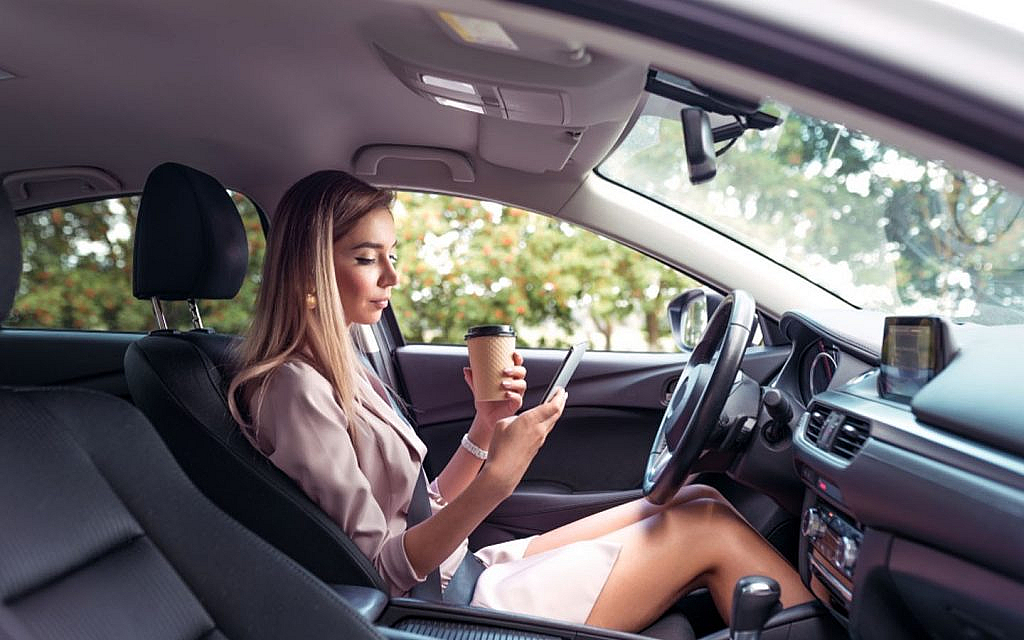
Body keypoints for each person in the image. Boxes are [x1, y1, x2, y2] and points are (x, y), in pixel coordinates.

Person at [227, 170, 812, 632]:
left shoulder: (342, 366)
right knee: (706, 527)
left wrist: (486, 426)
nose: (391, 277)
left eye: (392, 254)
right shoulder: (293, 389)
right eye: (365, 258)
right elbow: (378, 572)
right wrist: (496, 483)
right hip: (455, 608)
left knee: (696, 494)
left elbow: (422, 506)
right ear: (309, 270)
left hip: (468, 569)